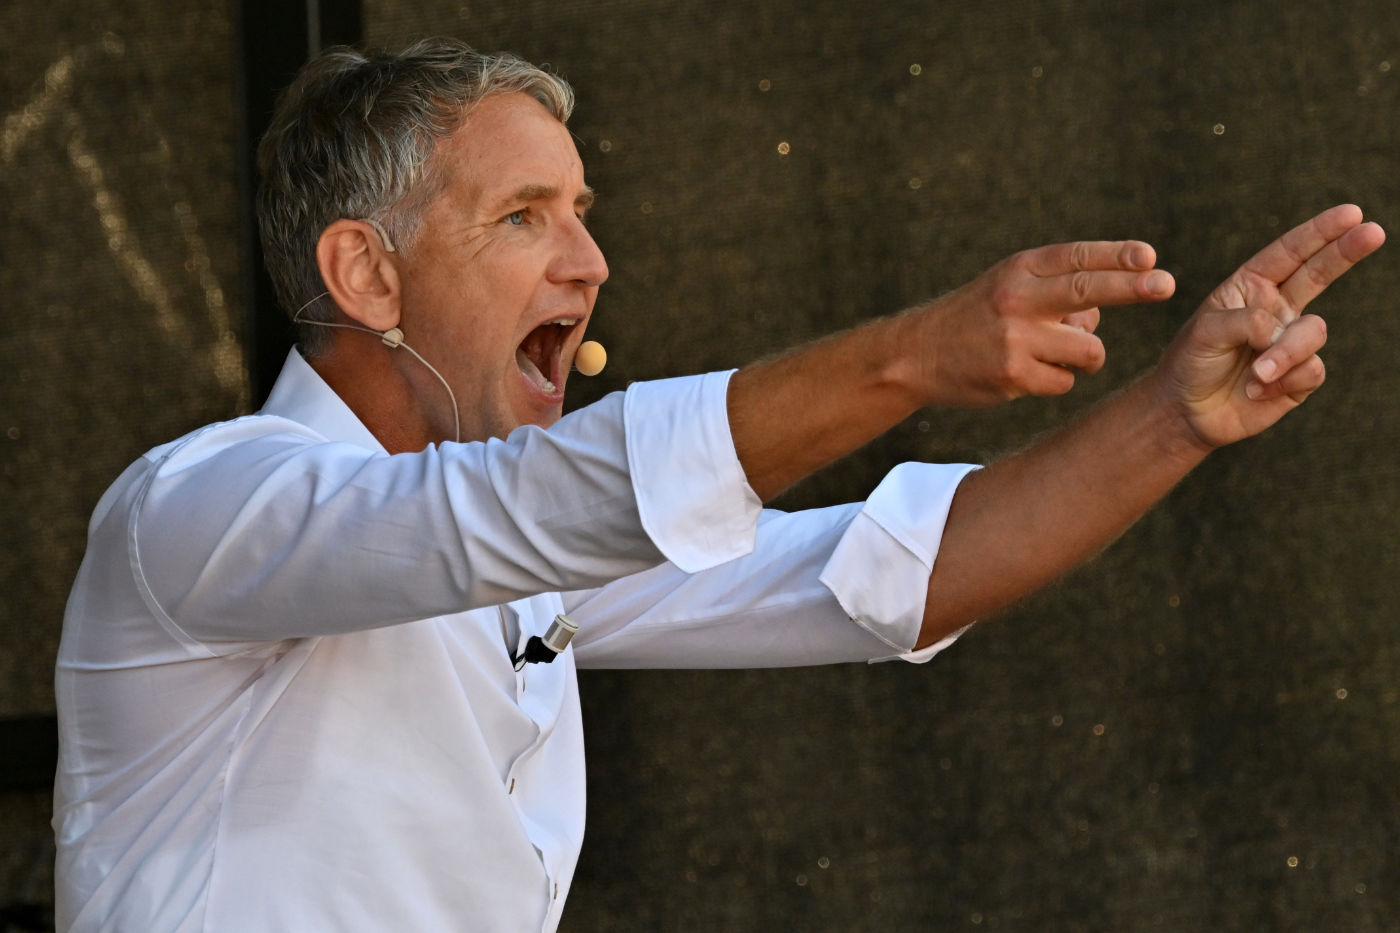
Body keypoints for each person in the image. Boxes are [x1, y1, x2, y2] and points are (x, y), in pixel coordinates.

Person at [52, 36, 1383, 932]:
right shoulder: (199, 511)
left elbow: (873, 575)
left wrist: (1177, 416)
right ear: (367, 276)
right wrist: (914, 352)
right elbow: (531, 506)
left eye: (583, 212)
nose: (589, 262)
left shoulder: (519, 554)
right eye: (525, 217)